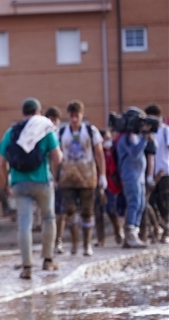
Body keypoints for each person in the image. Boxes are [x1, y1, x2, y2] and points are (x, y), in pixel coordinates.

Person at [0, 97, 63, 279]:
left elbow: (1, 161)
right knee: (48, 218)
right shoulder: (45, 129)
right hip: (42, 181)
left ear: (22, 113)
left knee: (24, 224)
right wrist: (53, 171)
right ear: (39, 112)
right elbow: (57, 158)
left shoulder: (11, 132)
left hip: (19, 183)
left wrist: (7, 181)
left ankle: (27, 266)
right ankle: (48, 260)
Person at [56, 101, 106, 256]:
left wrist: (102, 174)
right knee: (70, 210)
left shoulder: (91, 131)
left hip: (87, 177)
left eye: (77, 116)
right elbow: (56, 156)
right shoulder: (61, 132)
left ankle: (87, 244)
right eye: (71, 116)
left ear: (82, 115)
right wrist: (54, 176)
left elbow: (99, 154)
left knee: (87, 211)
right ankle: (75, 243)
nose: (74, 119)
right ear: (68, 116)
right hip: (68, 177)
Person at [115, 107, 152, 248]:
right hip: (130, 176)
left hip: (139, 176)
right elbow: (135, 153)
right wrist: (144, 138)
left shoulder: (135, 136)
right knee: (134, 203)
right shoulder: (126, 137)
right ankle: (130, 234)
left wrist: (146, 137)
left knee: (141, 205)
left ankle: (134, 233)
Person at [144, 104, 168, 243]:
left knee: (164, 202)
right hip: (150, 173)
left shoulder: (165, 131)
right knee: (150, 202)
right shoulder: (147, 133)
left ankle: (166, 231)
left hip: (164, 172)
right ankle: (157, 227)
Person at [46, 106, 66, 253]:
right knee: (48, 212)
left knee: (61, 212)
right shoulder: (43, 135)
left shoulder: (63, 135)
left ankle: (58, 240)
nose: (53, 122)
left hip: (62, 177)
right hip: (45, 178)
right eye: (50, 119)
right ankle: (49, 242)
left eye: (55, 120)